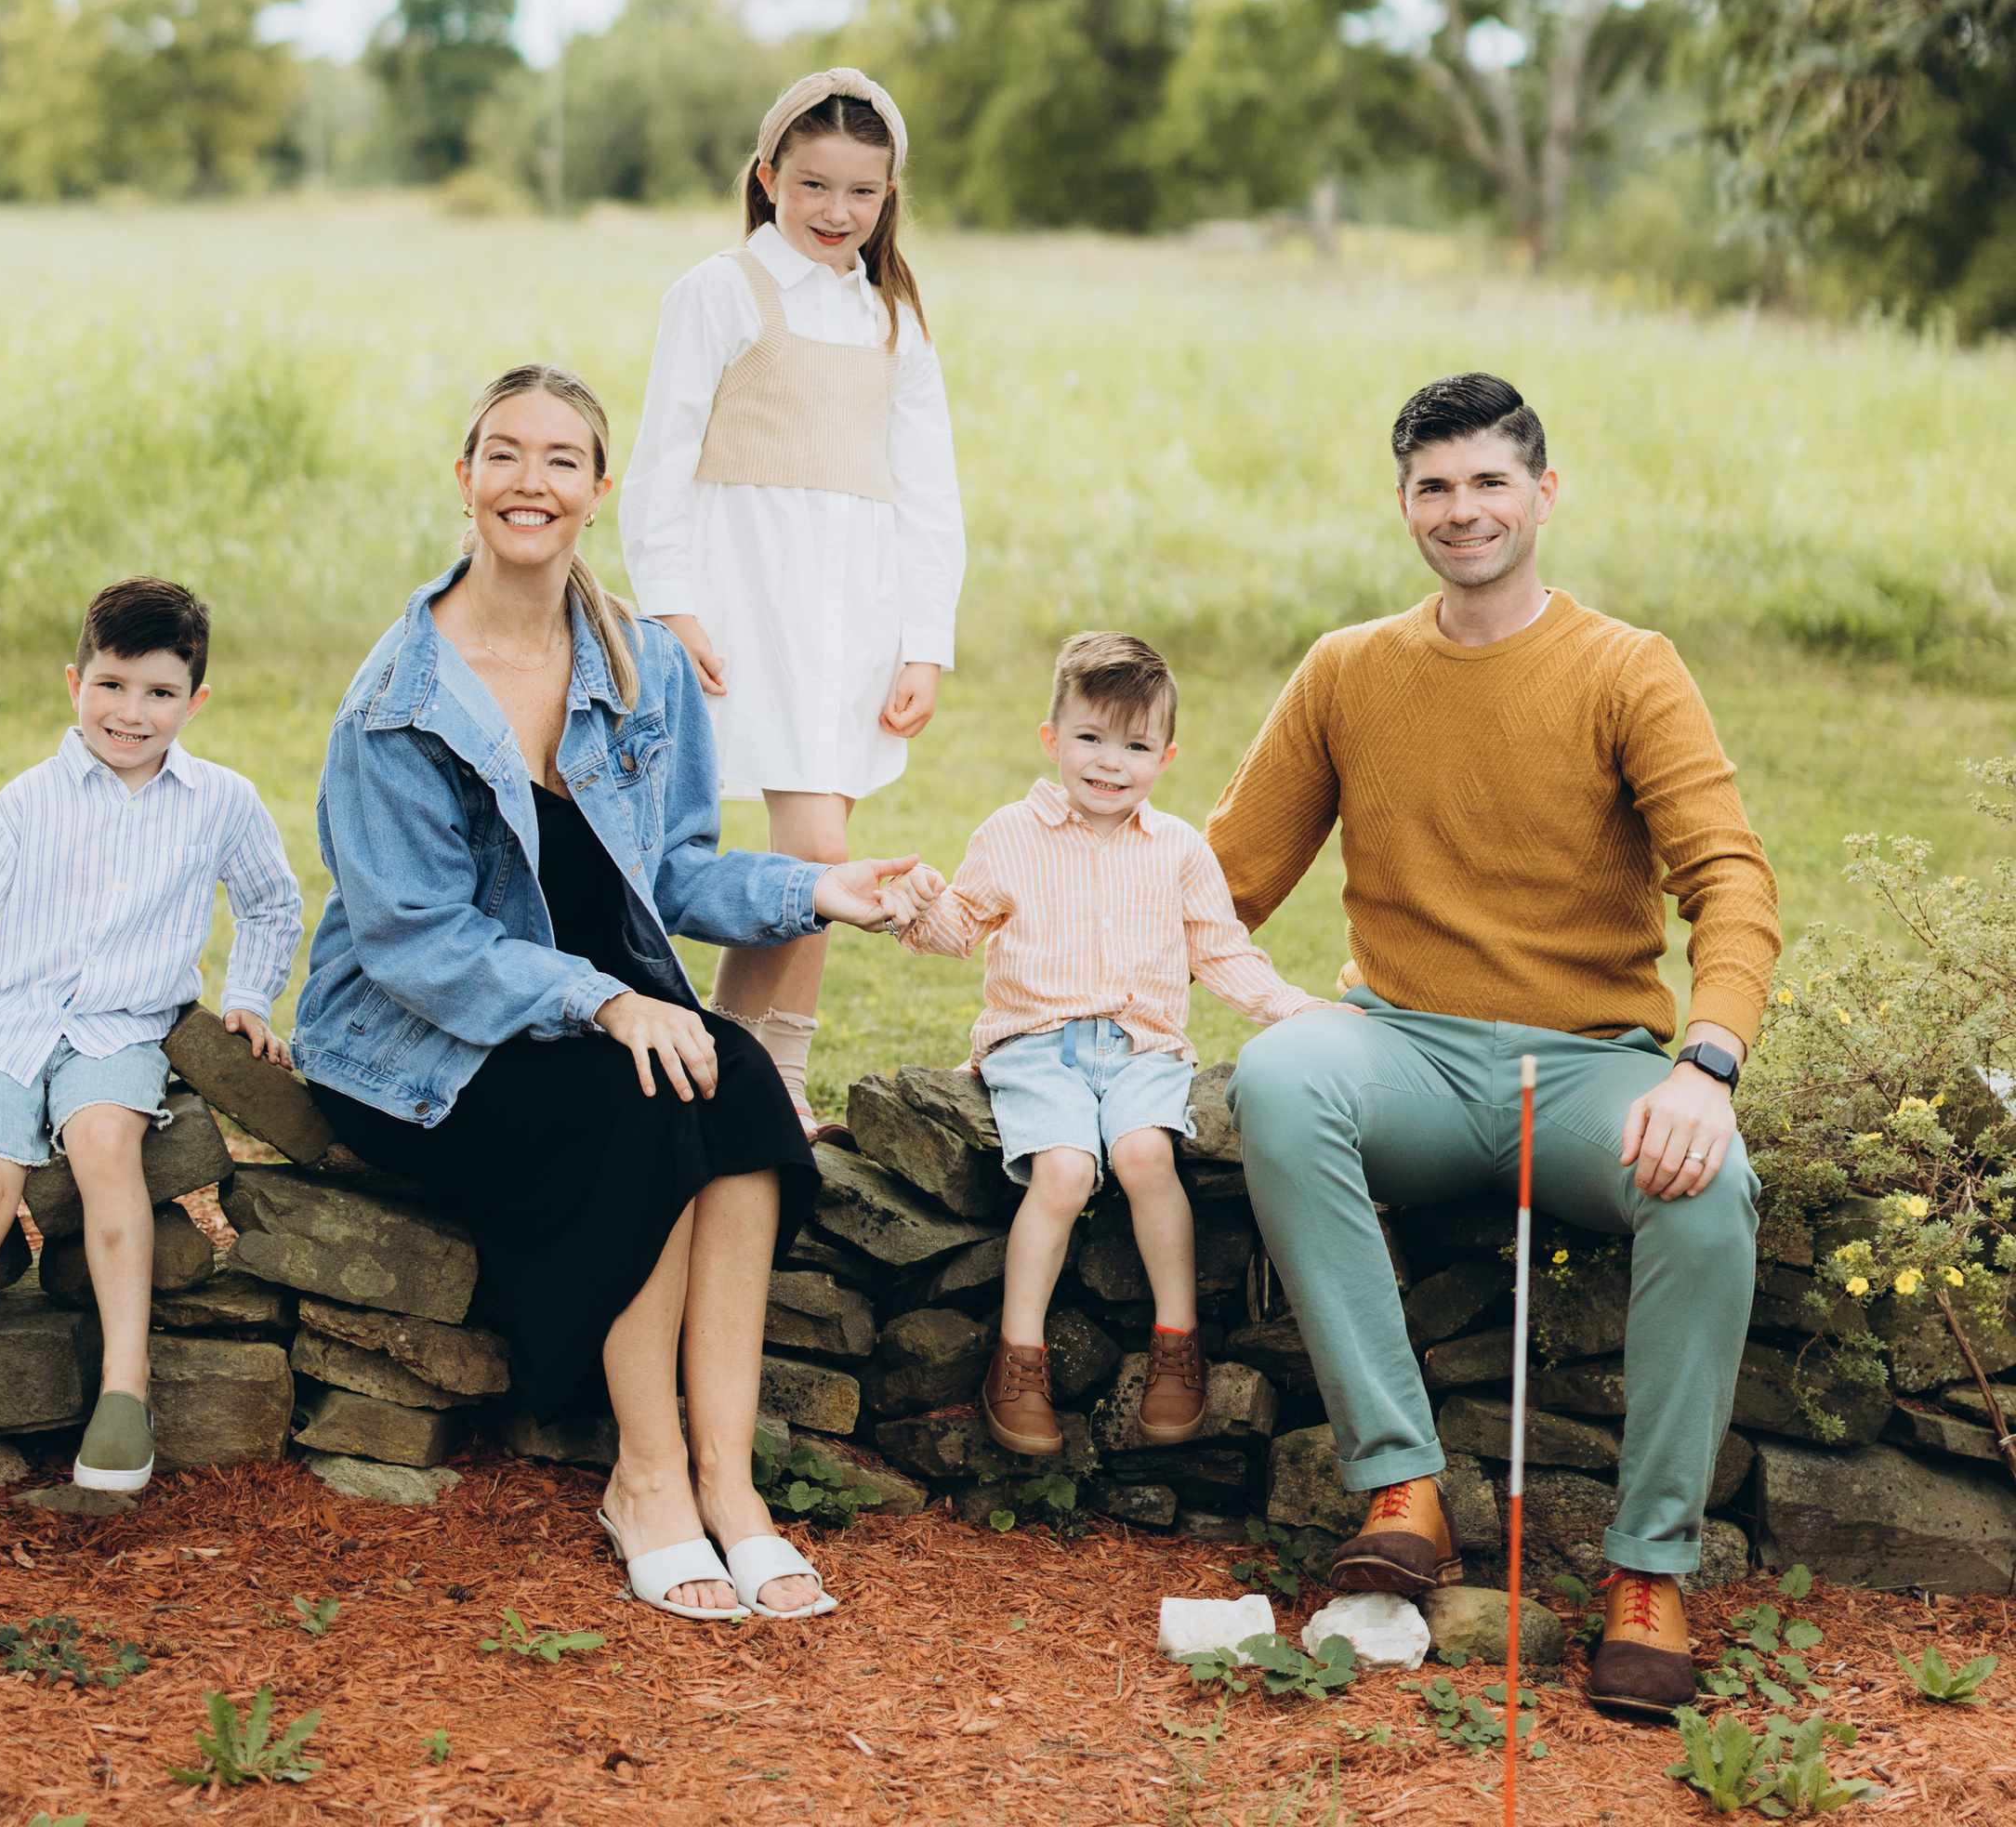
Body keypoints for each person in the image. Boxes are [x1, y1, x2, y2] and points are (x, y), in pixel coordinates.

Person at [294, 360, 927, 1623]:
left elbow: (678, 866)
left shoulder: (642, 664)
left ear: (599, 486)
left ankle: (729, 1483)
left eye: (560, 458)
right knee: (645, 1092)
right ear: (464, 479)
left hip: (588, 1018)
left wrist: (821, 891)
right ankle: (645, 1479)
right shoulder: (398, 700)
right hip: (419, 1045)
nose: (531, 480)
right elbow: (415, 941)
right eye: (505, 454)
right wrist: (603, 1002)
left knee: (733, 1077)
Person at [1209, 373, 1779, 1721]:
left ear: (1543, 491)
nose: (1461, 511)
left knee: (1714, 1198)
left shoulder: (1627, 666)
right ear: (1404, 500)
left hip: (1586, 1065)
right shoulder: (1349, 668)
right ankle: (1403, 1490)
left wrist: (1707, 1063)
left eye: (1488, 483)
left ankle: (1649, 1577)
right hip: (1398, 1045)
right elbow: (1221, 877)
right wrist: (1060, 910)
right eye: (1434, 486)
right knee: (1283, 1077)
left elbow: (1731, 881)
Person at [0, 575, 304, 1555]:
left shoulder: (222, 802)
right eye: (112, 685)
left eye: (159, 693)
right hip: (7, 1026)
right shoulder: (24, 804)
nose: (132, 713)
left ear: (196, 702)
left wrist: (251, 996)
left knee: (103, 1150)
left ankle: (123, 1392)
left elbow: (271, 902)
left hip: (121, 1029)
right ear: (74, 682)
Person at [618, 65, 964, 1138]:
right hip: (741, 607)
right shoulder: (719, 292)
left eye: (862, 193)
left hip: (848, 617)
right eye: (813, 185)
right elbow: (659, 462)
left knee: (812, 858)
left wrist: (924, 642)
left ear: (889, 196)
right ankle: (764, 1084)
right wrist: (670, 605)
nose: (836, 212)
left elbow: (928, 490)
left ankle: (736, 1081)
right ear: (767, 178)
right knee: (813, 859)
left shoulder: (891, 315)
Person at [898, 632, 1326, 1458]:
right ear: (1052, 740)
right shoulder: (1009, 835)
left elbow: (1221, 952)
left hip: (1142, 1046)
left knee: (1142, 1157)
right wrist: (917, 905)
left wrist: (1295, 1009)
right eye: (1090, 739)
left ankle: (1178, 1342)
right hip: (1037, 1041)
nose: (1109, 763)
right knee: (1062, 1171)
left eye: (1134, 746)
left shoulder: (1179, 852)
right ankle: (1018, 1358)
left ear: (1165, 757)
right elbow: (955, 930)